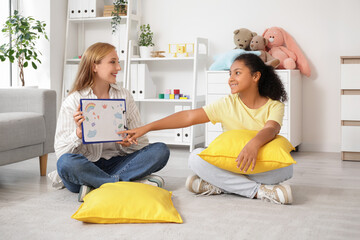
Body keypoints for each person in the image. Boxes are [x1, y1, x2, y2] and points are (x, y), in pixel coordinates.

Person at [120, 53, 294, 205]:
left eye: (237, 73)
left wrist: (253, 144)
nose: (231, 79)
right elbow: (188, 117)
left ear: (256, 76)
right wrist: (148, 127)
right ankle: (259, 191)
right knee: (195, 158)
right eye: (230, 73)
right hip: (232, 164)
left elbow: (271, 128)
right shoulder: (227, 104)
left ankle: (221, 185)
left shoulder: (274, 105)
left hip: (259, 164)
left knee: (287, 169)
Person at [54, 42, 169, 202]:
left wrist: (129, 142)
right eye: (112, 62)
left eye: (118, 62)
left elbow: (142, 143)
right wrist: (78, 134)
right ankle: (124, 184)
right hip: (86, 165)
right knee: (65, 163)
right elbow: (60, 152)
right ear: (94, 66)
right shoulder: (73, 100)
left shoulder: (125, 96)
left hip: (118, 162)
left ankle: (97, 185)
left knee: (160, 150)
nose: (119, 68)